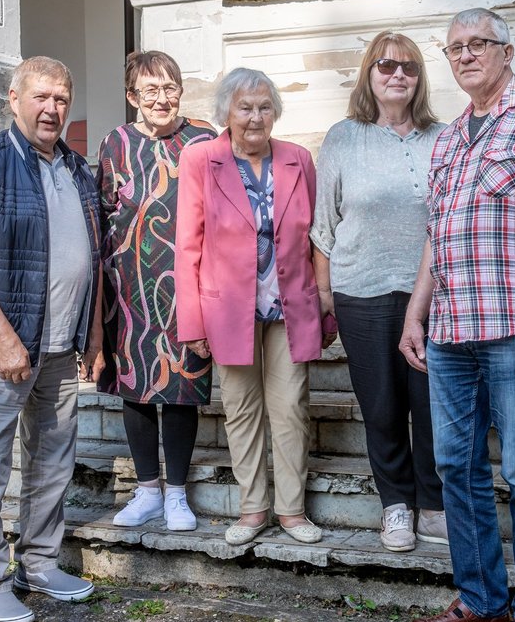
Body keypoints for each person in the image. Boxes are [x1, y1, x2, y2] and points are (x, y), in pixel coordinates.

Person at [400, 9, 515, 622]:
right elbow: (438, 233)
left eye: (478, 43)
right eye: (454, 48)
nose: (464, 55)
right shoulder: (450, 138)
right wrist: (414, 313)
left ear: (509, 51)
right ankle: (482, 601)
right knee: (456, 467)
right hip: (451, 332)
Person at [0, 56, 103, 622]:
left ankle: (38, 561)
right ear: (13, 99)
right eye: (40, 96)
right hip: (0, 349)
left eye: (61, 98)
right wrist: (5, 340)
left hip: (61, 349)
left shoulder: (78, 170)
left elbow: (95, 262)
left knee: (53, 462)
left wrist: (94, 334)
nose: (52, 108)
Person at [175, 67, 331, 546]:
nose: (255, 116)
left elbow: (317, 235)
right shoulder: (201, 159)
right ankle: (252, 508)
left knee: (290, 407)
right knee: (241, 407)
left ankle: (291, 511)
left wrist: (325, 301)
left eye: (265, 106)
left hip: (291, 302)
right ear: (227, 111)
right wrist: (192, 321)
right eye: (245, 107)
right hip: (227, 307)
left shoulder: (299, 159)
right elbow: (188, 246)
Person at [310, 31, 448, 553]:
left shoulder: (444, 138)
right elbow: (323, 225)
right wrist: (325, 294)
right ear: (369, 74)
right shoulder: (345, 137)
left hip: (432, 296)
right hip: (361, 292)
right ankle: (395, 507)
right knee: (382, 406)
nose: (398, 75)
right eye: (386, 66)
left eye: (409, 68)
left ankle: (433, 508)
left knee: (432, 405)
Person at [96, 51, 216, 532]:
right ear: (132, 97)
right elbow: (104, 212)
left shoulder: (204, 139)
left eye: (170, 88)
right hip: (127, 288)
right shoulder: (114, 143)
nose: (162, 99)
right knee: (137, 387)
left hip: (187, 285)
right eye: (151, 91)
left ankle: (177, 497)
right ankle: (146, 491)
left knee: (183, 387)